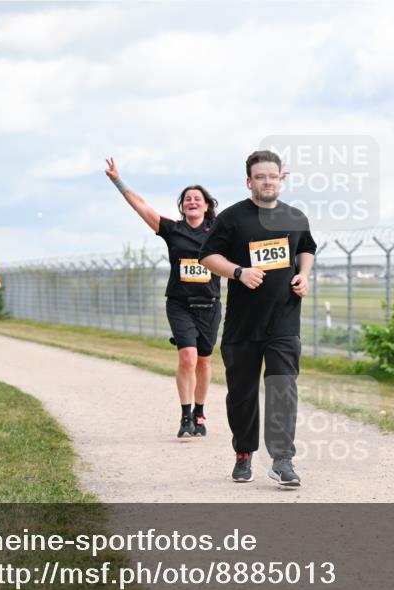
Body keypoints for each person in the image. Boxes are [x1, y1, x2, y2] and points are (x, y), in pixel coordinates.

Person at [199, 150, 316, 486]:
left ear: (283, 178)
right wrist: (238, 272)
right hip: (243, 325)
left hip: (284, 321)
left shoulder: (295, 217)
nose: (267, 181)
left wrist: (304, 274)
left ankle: (282, 459)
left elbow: (307, 247)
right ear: (249, 181)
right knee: (242, 394)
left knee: (282, 388)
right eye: (260, 177)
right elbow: (207, 255)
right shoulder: (233, 218)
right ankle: (243, 452)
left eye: (272, 176)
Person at [105, 157, 221, 438]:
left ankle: (200, 413)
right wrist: (118, 181)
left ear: (207, 205)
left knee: (204, 361)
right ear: (183, 207)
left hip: (209, 305)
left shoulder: (219, 231)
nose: (192, 201)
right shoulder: (173, 230)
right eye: (187, 199)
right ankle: (185, 417)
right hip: (180, 304)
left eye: (197, 198)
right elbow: (142, 207)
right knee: (187, 358)